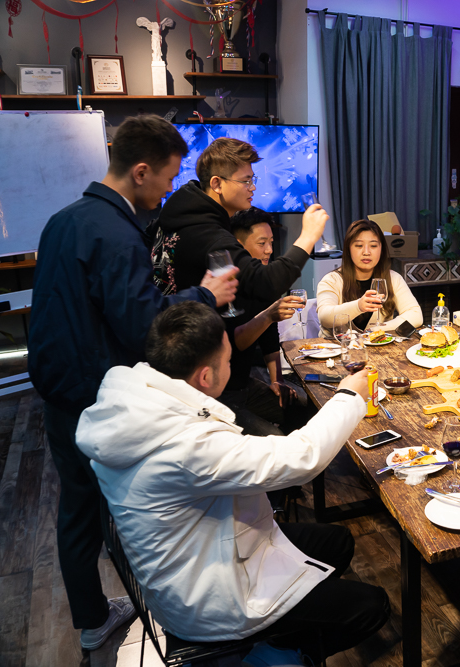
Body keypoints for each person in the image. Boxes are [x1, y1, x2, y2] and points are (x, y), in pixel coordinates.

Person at [74, 302, 391, 666]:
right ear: (205, 377)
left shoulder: (140, 395)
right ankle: (279, 655)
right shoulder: (184, 445)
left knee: (337, 542)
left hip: (197, 553)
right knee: (372, 606)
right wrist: (350, 396)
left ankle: (285, 637)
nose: (232, 365)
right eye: (228, 361)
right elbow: (302, 458)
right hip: (206, 598)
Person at [27, 114, 238, 651]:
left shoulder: (63, 220)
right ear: (140, 171)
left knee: (77, 510)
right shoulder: (117, 234)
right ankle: (171, 619)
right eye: (167, 177)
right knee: (132, 511)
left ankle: (92, 618)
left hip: (57, 390)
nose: (169, 189)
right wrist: (206, 295)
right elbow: (143, 325)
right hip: (94, 395)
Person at [153, 137, 328, 305]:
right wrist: (308, 236)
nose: (253, 187)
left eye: (252, 180)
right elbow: (266, 283)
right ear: (217, 184)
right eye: (246, 181)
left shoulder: (179, 214)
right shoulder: (206, 233)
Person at [222, 207, 309, 437]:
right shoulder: (225, 287)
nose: (269, 250)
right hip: (221, 394)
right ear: (238, 246)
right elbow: (236, 342)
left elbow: (270, 339)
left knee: (304, 408)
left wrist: (277, 380)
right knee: (277, 441)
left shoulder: (264, 280)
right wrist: (268, 315)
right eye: (262, 243)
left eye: (271, 242)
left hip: (245, 385)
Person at [316, 219, 422, 334]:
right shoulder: (331, 280)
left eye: (373, 245)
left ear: (381, 249)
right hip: (336, 345)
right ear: (348, 249)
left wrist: (376, 330)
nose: (366, 252)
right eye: (359, 245)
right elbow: (324, 317)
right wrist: (358, 306)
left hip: (377, 345)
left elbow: (415, 315)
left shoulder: (393, 278)